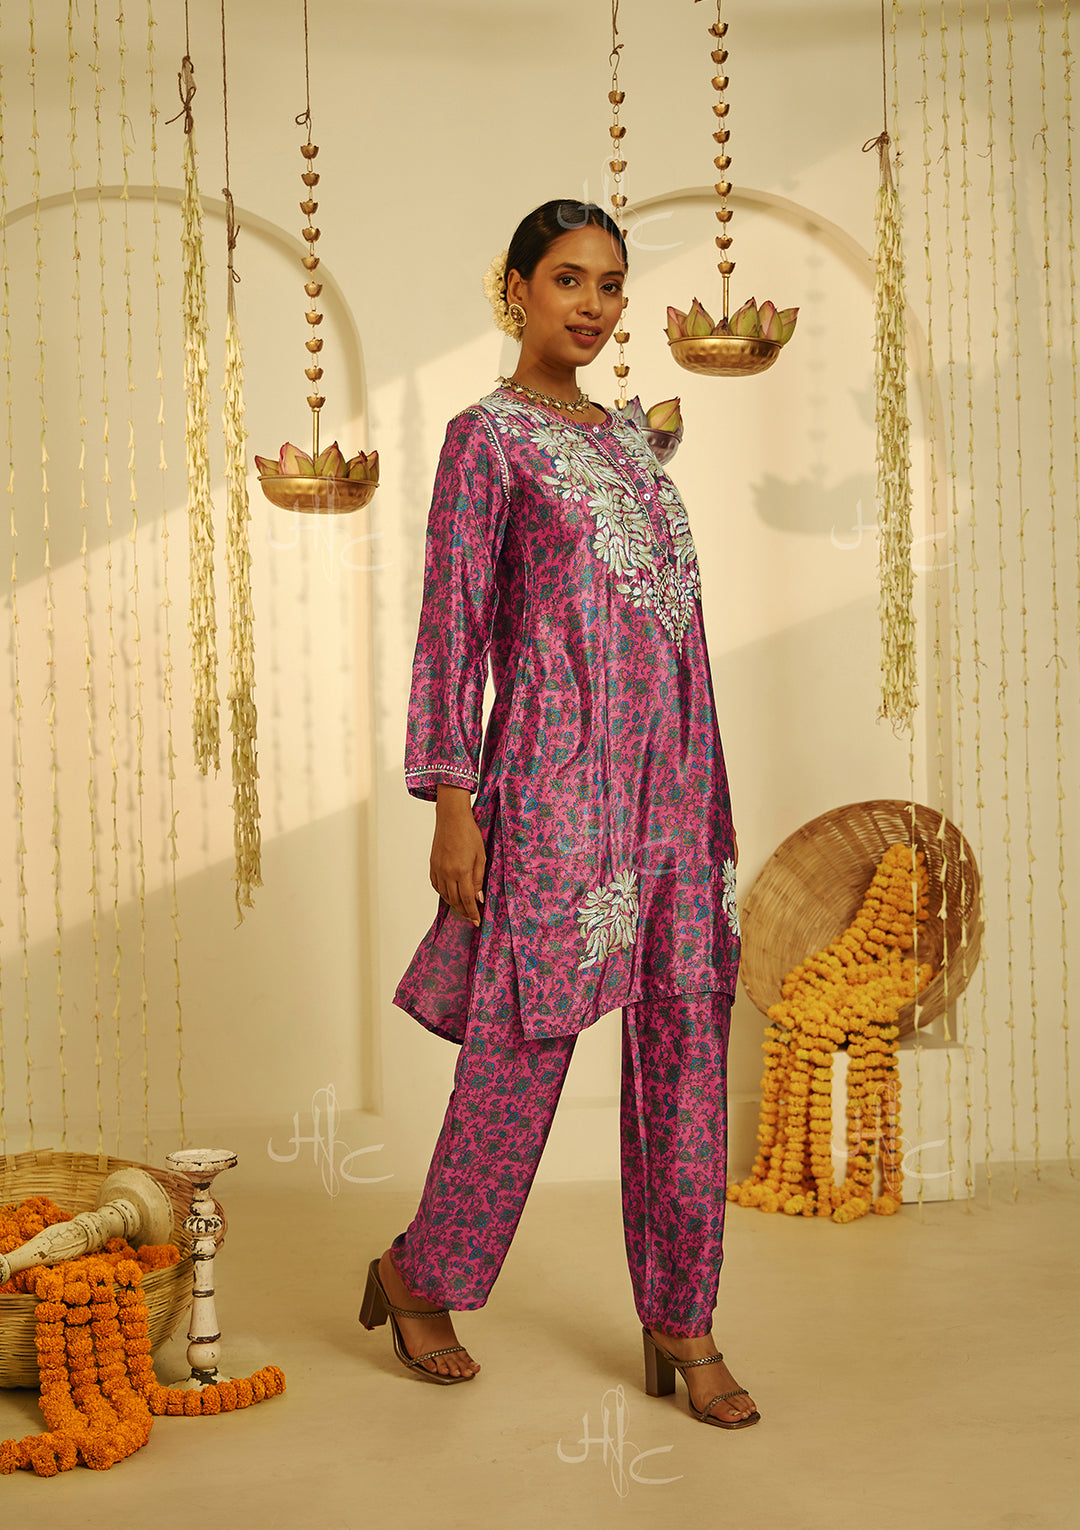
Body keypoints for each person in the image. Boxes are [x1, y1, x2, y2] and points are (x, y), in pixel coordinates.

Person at [359, 200, 759, 1429]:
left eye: (611, 284)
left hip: (677, 783)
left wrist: (699, 785)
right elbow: (453, 626)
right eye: (568, 279)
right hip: (554, 782)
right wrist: (452, 802)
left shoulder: (635, 441)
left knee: (688, 1047)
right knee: (522, 1048)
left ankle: (683, 1316)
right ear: (518, 289)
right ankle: (422, 1274)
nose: (592, 304)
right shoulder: (487, 442)